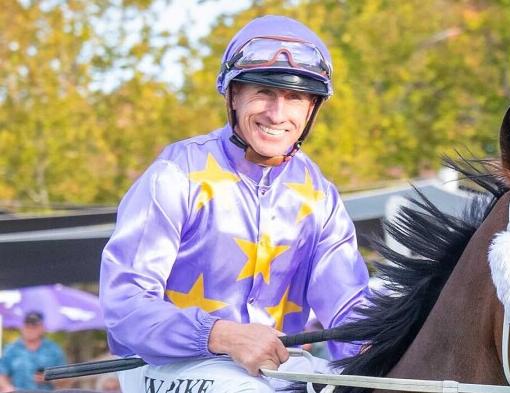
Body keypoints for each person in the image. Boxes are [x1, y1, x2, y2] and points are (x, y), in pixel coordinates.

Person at [100, 15, 370, 392]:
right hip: (162, 363)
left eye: (294, 97)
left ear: (311, 109)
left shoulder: (320, 195)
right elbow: (125, 306)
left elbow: (348, 307)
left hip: (277, 366)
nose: (278, 114)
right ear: (232, 96)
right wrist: (222, 335)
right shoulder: (175, 175)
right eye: (263, 92)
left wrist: (385, 347)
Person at [0, 311, 67, 392]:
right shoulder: (11, 349)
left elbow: (65, 379)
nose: (30, 329)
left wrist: (50, 378)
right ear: (22, 327)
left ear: (42, 328)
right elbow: (2, 374)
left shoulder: (53, 350)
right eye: (27, 326)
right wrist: (7, 387)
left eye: (34, 326)